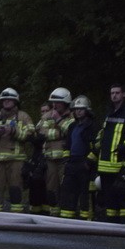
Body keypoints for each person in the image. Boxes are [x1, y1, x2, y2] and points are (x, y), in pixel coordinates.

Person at [94, 83, 125, 223]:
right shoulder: (109, 113)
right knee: (110, 203)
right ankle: (112, 232)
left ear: (124, 94)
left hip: (124, 166)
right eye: (112, 93)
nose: (114, 95)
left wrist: (124, 147)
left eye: (117, 92)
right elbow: (103, 134)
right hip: (106, 168)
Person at [0, 88, 33, 212]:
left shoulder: (23, 116)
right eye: (4, 99)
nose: (7, 101)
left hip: (16, 160)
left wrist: (14, 131)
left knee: (16, 191)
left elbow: (31, 135)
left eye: (10, 99)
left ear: (16, 101)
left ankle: (17, 219)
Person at [36, 88, 75, 217]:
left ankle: (66, 217)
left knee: (66, 188)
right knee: (51, 189)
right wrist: (59, 133)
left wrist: (58, 121)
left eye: (57, 102)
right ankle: (54, 216)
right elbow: (41, 132)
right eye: (53, 102)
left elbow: (70, 131)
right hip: (49, 158)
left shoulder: (72, 116)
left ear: (65, 103)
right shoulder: (47, 116)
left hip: (64, 159)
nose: (54, 105)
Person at [59, 95, 96, 219]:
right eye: (76, 109)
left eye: (81, 109)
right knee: (68, 192)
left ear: (87, 110)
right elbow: (67, 145)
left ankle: (86, 220)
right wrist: (66, 160)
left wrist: (89, 162)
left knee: (86, 194)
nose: (78, 111)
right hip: (71, 164)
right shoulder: (72, 126)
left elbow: (97, 146)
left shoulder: (93, 126)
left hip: (85, 164)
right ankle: (67, 219)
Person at [27, 102, 52, 215]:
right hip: (37, 157)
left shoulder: (52, 122)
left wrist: (35, 139)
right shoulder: (38, 124)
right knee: (35, 184)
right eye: (42, 111)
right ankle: (35, 211)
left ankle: (47, 212)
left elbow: (42, 139)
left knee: (47, 185)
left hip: (48, 157)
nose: (44, 113)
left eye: (46, 111)